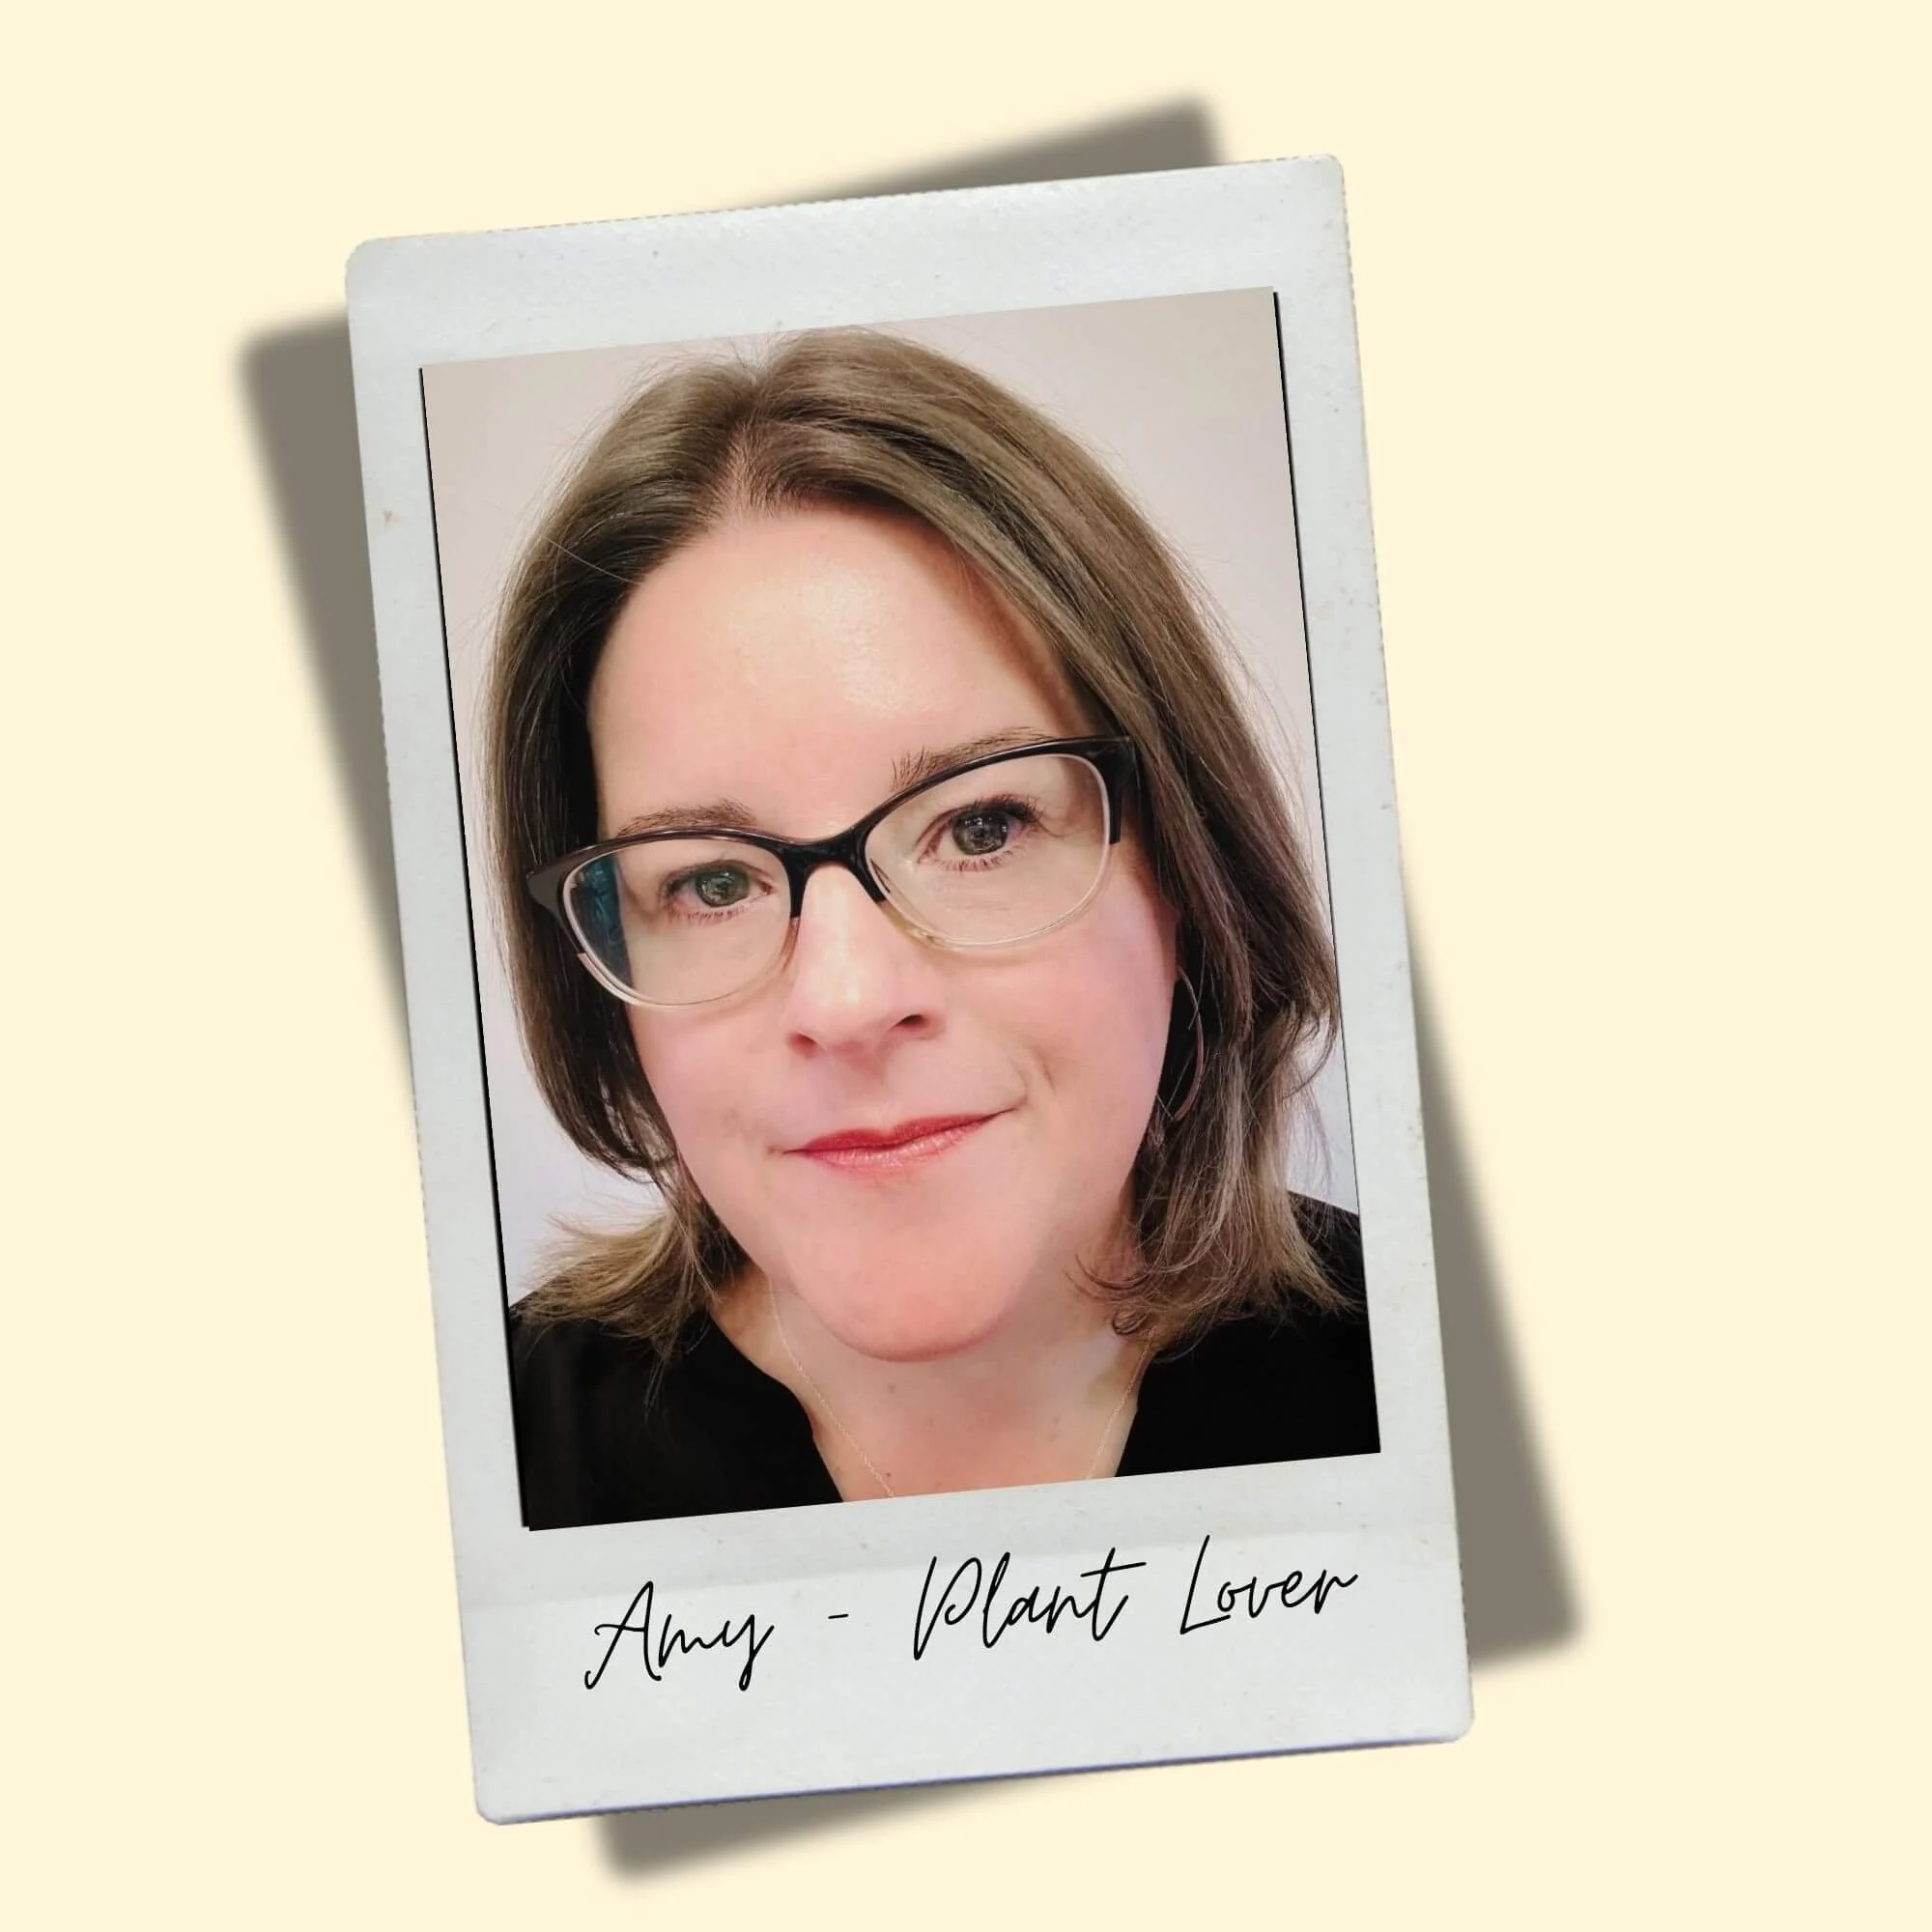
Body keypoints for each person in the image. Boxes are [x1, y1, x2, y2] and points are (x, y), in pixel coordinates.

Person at [487, 328, 1378, 1529]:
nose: (846, 998)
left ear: (1182, 864)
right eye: (709, 882)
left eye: (981, 825)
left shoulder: (1422, 1382)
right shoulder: (487, 1464)